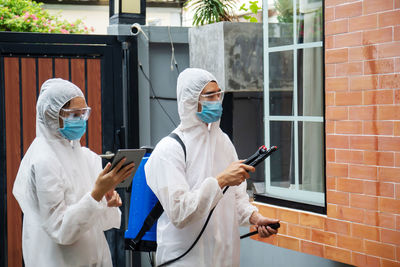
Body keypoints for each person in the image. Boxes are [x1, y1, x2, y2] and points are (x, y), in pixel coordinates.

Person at [145, 68, 279, 266]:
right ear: (190, 101)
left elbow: (236, 199)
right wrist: (221, 180)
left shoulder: (222, 142)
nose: (217, 100)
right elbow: (180, 212)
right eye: (209, 95)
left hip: (225, 259)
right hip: (184, 260)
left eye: (219, 94)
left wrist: (254, 217)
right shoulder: (169, 150)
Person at [13, 78, 135, 267]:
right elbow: (60, 229)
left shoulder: (84, 156)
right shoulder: (43, 160)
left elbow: (94, 223)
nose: (80, 120)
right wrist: (96, 194)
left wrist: (106, 201)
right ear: (51, 115)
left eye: (83, 114)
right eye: (73, 114)